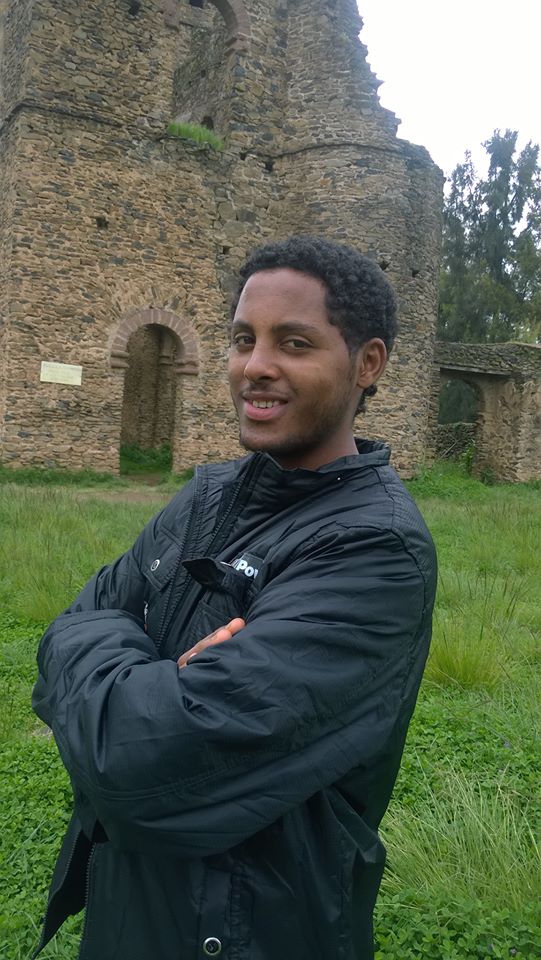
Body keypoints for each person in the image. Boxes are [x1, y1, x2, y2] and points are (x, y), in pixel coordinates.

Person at [32, 235, 437, 960]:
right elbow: (74, 620)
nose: (255, 366)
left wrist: (119, 665)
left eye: (294, 343)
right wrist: (146, 673)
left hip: (253, 928)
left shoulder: (375, 551)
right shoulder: (210, 495)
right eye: (243, 339)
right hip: (130, 909)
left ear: (367, 363)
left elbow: (131, 759)